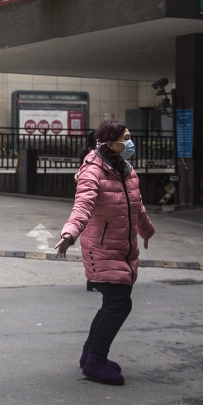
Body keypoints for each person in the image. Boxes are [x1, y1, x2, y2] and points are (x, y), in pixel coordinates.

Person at [55, 120, 155, 386]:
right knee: (118, 304)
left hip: (123, 248)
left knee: (113, 303)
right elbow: (83, 206)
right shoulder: (92, 172)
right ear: (111, 143)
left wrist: (147, 231)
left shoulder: (126, 170)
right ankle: (95, 361)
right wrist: (69, 234)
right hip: (101, 249)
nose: (131, 142)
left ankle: (90, 354)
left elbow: (137, 206)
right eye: (126, 137)